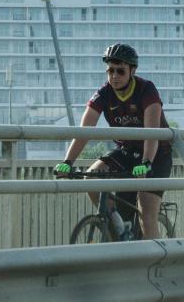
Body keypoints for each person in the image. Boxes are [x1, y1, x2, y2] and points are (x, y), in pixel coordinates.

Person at [54, 44, 173, 239]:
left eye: (120, 71)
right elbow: (84, 131)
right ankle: (120, 228)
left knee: (146, 214)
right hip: (126, 150)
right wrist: (68, 162)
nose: (114, 76)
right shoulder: (103, 94)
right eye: (110, 70)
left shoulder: (146, 89)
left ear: (132, 71)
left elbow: (153, 133)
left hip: (156, 153)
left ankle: (154, 264)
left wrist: (146, 163)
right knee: (91, 177)